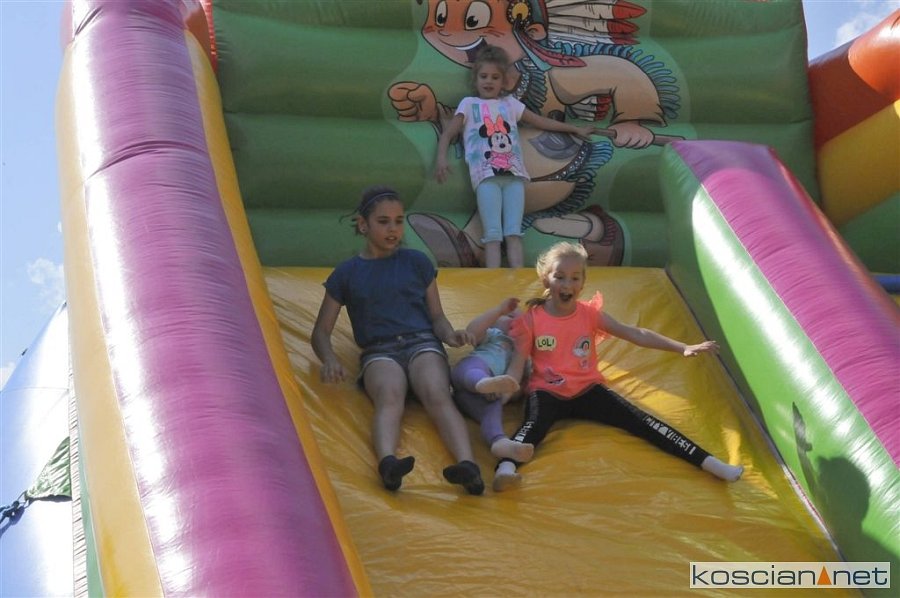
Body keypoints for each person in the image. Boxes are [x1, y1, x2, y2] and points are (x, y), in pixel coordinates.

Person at [500, 241, 744, 489]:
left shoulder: (589, 314)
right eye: (559, 277)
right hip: (547, 391)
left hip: (587, 390)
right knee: (532, 427)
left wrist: (682, 347)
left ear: (582, 283)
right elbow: (517, 365)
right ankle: (506, 468)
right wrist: (504, 394)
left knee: (644, 422)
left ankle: (710, 462)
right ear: (546, 280)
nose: (567, 284)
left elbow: (635, 333)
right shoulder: (532, 320)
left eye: (575, 278)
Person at [311, 186, 484, 495]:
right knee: (389, 397)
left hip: (422, 343)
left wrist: (450, 335)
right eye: (383, 222)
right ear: (363, 225)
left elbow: (437, 317)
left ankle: (468, 465)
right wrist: (330, 359)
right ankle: (388, 463)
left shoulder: (417, 262)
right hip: (380, 350)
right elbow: (321, 331)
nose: (393, 229)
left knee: (436, 393)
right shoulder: (347, 273)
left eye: (398, 221)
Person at [433, 44, 597, 269]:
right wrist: (441, 158)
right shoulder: (469, 105)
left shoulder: (509, 104)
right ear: (476, 79)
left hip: (514, 177)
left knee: (513, 231)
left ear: (503, 81)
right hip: (486, 177)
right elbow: (448, 133)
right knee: (492, 232)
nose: (489, 81)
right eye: (484, 76)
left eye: (495, 77)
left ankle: (516, 277)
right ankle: (492, 278)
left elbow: (540, 121)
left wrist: (573, 129)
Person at [450, 297, 534, 492]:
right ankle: (482, 382)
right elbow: (472, 331)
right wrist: (498, 311)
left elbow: (514, 378)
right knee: (475, 369)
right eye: (509, 317)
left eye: (520, 321)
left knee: (492, 409)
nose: (514, 323)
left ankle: (499, 441)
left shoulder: (522, 353)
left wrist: (502, 396)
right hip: (469, 376)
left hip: (478, 397)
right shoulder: (494, 336)